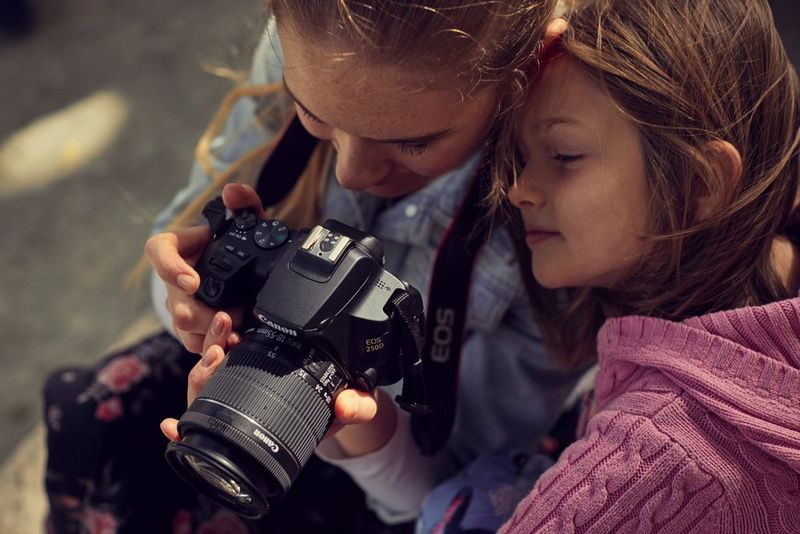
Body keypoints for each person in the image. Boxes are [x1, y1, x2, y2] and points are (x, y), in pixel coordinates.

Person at [44, 2, 585, 533]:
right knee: (89, 420)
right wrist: (193, 302)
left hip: (392, 475)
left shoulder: (559, 229)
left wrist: (363, 431)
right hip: (241, 381)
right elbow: (175, 263)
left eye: (412, 142)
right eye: (315, 115)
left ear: (530, 66)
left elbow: (458, 491)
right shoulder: (306, 46)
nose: (351, 172)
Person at [482, 0, 799, 531]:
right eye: (520, 157)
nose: (518, 190)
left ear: (699, 185)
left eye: (563, 155)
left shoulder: (642, 478)